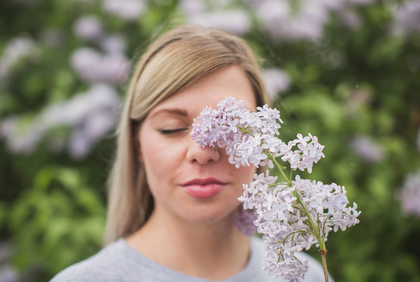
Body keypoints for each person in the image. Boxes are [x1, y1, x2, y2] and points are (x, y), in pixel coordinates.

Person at [51, 25, 328, 282]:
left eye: (231, 127)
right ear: (137, 143)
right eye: (172, 129)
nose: (202, 152)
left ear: (264, 137)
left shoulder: (305, 276)